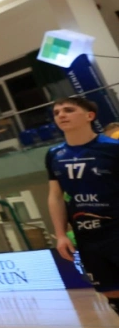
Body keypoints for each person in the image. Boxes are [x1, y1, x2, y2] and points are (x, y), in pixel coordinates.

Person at [47, 96, 119, 314]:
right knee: (110, 291)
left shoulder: (113, 148)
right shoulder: (54, 154)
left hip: (116, 228)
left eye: (68, 110)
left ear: (90, 116)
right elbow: (56, 196)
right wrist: (61, 235)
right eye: (57, 112)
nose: (61, 115)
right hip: (87, 235)